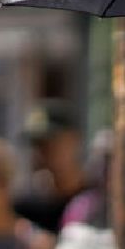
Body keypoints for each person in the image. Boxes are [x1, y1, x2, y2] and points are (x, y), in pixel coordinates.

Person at [14, 99, 87, 234]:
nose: (44, 151)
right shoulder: (24, 208)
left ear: (75, 140)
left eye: (52, 142)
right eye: (37, 144)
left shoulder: (98, 201)